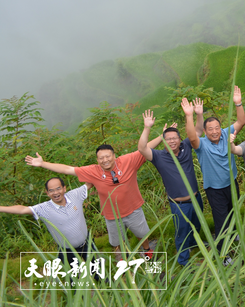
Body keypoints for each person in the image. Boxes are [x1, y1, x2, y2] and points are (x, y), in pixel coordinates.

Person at [25, 134, 164, 259]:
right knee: (117, 240)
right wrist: (42, 164)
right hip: (112, 215)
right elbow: (67, 169)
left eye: (108, 156)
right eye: (101, 158)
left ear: (114, 156)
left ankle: (147, 250)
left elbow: (144, 148)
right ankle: (123, 257)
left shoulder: (128, 161)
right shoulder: (93, 171)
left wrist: (162, 136)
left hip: (133, 209)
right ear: (97, 160)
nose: (105, 160)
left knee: (142, 233)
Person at [184, 85, 245, 265]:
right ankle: (223, 253)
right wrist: (191, 115)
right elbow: (192, 136)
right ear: (206, 130)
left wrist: (238, 103)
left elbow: (241, 122)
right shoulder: (201, 145)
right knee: (221, 222)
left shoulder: (227, 134)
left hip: (232, 184)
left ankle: (233, 236)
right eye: (210, 129)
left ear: (220, 127)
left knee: (234, 214)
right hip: (215, 190)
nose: (214, 131)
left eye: (217, 127)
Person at [138, 106, 204, 267]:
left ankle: (194, 246)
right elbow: (142, 148)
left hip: (196, 199)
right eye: (168, 138)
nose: (172, 141)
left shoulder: (186, 147)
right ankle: (183, 262)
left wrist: (198, 114)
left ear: (180, 139)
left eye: (175, 138)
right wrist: (147, 128)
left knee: (196, 226)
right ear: (163, 140)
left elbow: (198, 130)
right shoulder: (159, 156)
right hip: (179, 205)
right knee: (181, 232)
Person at [0, 178, 96, 267]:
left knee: (98, 271)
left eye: (58, 189)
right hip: (67, 251)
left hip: (87, 243)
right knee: (73, 279)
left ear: (64, 188)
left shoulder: (75, 195)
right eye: (51, 190)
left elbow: (91, 182)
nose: (55, 193)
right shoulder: (44, 208)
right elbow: (23, 210)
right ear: (47, 193)